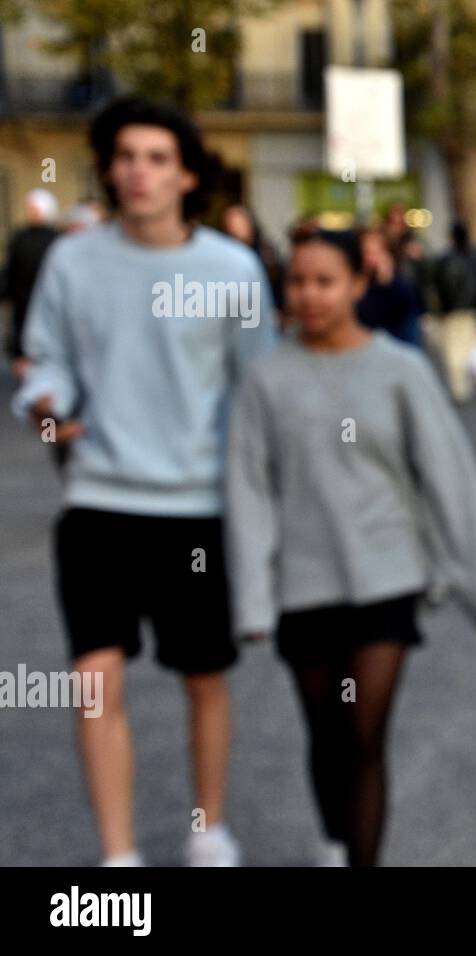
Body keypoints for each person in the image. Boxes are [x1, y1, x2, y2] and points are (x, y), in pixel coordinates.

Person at [11, 95, 278, 867]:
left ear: (187, 174)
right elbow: (44, 355)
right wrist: (46, 402)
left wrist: (259, 500)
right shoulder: (73, 259)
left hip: (199, 509)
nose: (139, 172)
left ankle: (209, 827)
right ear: (107, 168)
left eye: (158, 158)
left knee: (204, 679)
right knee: (95, 680)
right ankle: (118, 854)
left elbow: (254, 387)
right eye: (125, 156)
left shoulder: (231, 269)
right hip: (98, 500)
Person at [224, 230, 476, 866]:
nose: (308, 295)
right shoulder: (266, 379)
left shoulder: (400, 370)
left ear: (360, 283)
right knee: (326, 734)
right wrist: (250, 602)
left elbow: (449, 478)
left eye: (325, 281)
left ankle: (361, 861)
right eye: (297, 281)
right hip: (301, 586)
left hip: (387, 580)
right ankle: (334, 838)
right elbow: (247, 493)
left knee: (364, 737)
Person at [3, 188, 62, 381]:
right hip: (25, 306)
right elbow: (11, 273)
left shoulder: (57, 240)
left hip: (46, 305)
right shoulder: (23, 237)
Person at [431, 222, 476, 402]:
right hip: (473, 310)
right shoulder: (475, 258)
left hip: (452, 312)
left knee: (454, 353)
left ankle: (460, 390)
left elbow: (442, 287)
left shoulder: (445, 261)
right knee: (473, 348)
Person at [357, 227, 425, 350]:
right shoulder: (356, 284)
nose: (368, 258)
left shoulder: (400, 288)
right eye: (365, 252)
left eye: (373, 253)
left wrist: (385, 283)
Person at [220, 203, 285, 314]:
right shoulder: (221, 258)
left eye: (240, 219)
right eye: (231, 221)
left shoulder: (267, 254)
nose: (236, 225)